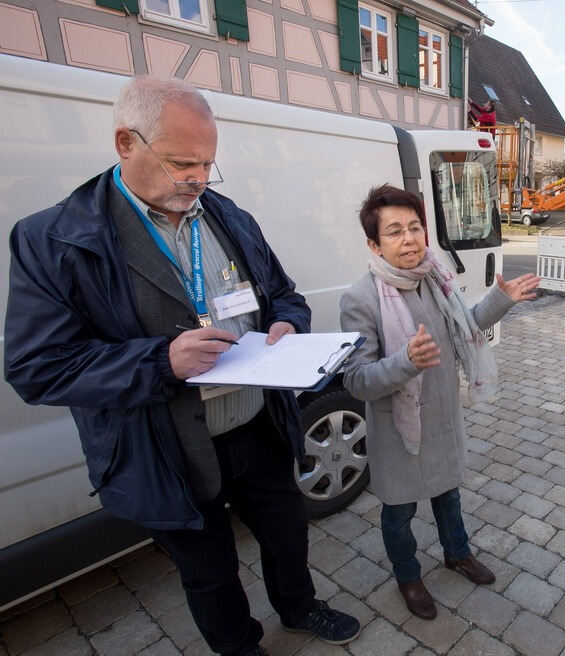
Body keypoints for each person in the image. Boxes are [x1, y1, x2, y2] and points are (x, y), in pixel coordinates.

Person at [3, 77, 359, 656]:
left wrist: (288, 324)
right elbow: (37, 367)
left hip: (257, 427)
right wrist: (160, 360)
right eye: (179, 163)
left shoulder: (226, 214)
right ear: (125, 142)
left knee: (288, 535)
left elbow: (283, 294)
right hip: (164, 450)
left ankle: (298, 607)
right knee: (209, 570)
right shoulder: (53, 239)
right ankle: (240, 647)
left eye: (207, 164)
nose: (196, 179)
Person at [339, 185, 539, 620]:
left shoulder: (435, 276)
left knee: (448, 495)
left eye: (415, 228)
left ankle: (457, 552)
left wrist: (501, 300)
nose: (409, 239)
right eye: (395, 232)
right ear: (374, 244)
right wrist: (406, 363)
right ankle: (408, 576)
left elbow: (464, 326)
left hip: (443, 416)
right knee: (399, 513)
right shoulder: (361, 298)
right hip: (400, 431)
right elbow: (356, 380)